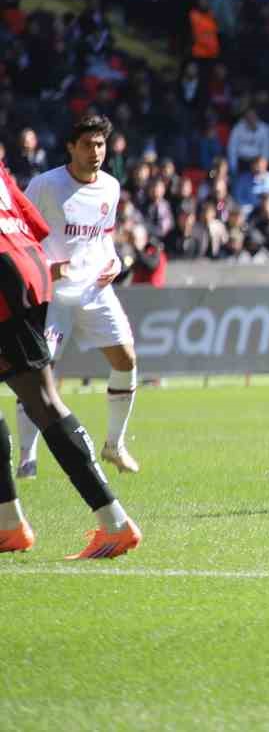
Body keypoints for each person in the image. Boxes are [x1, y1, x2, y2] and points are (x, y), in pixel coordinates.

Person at [0, 161, 141, 559]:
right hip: (28, 264)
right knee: (42, 397)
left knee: (44, 400)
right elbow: (32, 221)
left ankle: (115, 524)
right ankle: (9, 523)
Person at [16, 115, 144, 478]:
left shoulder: (111, 187)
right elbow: (15, 231)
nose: (95, 152)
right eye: (88, 145)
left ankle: (115, 445)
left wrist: (115, 261)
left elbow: (103, 237)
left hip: (94, 288)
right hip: (52, 293)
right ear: (71, 147)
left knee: (126, 358)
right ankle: (27, 456)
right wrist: (45, 268)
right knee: (39, 376)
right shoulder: (45, 185)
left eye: (100, 145)